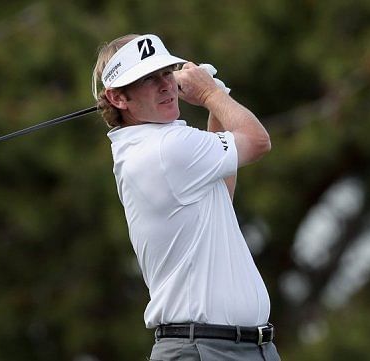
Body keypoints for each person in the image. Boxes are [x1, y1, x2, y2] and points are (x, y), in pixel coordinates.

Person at [92, 34, 280, 361]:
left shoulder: (151, 146)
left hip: (241, 348)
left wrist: (217, 99)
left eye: (166, 72)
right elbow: (257, 140)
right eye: (148, 79)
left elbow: (221, 190)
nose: (165, 85)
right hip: (204, 349)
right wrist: (209, 93)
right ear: (118, 98)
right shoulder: (166, 148)